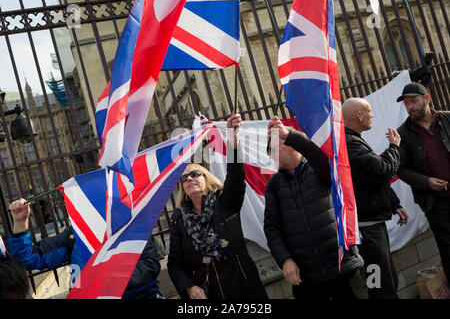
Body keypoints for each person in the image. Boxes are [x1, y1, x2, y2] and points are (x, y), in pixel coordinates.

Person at [167, 113, 268, 300]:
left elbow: (236, 177)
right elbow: (174, 264)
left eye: (195, 174)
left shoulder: (225, 202)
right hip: (210, 292)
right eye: (184, 178)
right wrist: (189, 288)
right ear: (182, 188)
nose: (189, 179)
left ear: (206, 179)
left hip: (244, 286)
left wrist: (232, 144)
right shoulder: (179, 220)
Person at [264, 116, 364, 300]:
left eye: (273, 148)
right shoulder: (273, 186)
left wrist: (291, 135)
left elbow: (323, 161)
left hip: (344, 269)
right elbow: (272, 229)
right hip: (308, 280)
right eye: (269, 150)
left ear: (290, 145)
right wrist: (285, 260)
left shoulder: (319, 168)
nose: (271, 154)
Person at [8, 198, 164, 299]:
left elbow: (149, 267)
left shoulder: (131, 229)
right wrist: (21, 223)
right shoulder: (74, 236)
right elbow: (29, 259)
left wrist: (103, 281)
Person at [342, 97, 409, 299]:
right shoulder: (350, 143)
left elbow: (371, 179)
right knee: (379, 284)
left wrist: (394, 203)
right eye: (369, 111)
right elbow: (382, 170)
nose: (372, 115)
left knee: (385, 279)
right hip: (367, 231)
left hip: (372, 225)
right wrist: (394, 147)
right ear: (359, 116)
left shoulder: (353, 140)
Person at [396, 82, 450, 281]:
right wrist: (426, 181)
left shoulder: (447, 119)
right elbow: (401, 169)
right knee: (447, 250)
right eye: (407, 103)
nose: (410, 107)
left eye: (414, 101)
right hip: (436, 203)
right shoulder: (402, 134)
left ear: (427, 99)